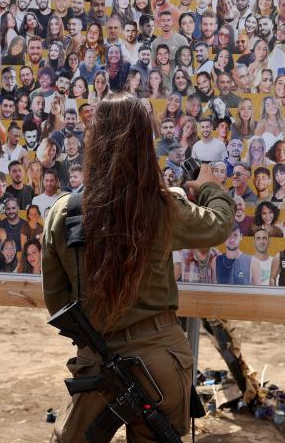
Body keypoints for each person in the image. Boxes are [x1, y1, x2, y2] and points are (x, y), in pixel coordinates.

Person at [43, 95, 234, 441]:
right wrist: (210, 188)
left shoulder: (62, 213)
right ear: (145, 144)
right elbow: (218, 225)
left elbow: (58, 303)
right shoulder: (164, 208)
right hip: (161, 359)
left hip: (99, 362)